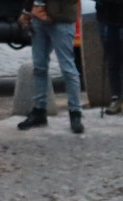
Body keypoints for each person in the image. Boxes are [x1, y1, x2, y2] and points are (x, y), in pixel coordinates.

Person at [16, 0, 84, 134]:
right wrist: (27, 11)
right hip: (38, 19)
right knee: (39, 67)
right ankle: (39, 111)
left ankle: (75, 113)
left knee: (68, 69)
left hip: (61, 18)